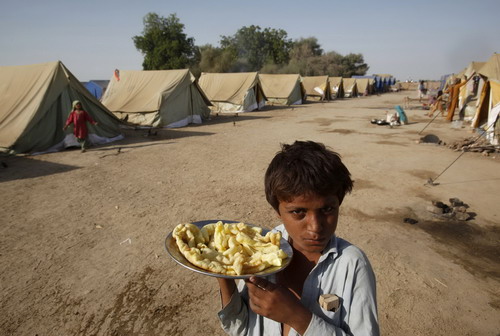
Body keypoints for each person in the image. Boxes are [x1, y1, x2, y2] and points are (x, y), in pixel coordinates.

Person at [217, 141, 379, 336]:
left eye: (327, 209)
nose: (315, 227)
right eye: (298, 212)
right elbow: (241, 327)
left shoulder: (352, 265)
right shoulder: (262, 249)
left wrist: (297, 317)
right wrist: (223, 274)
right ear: (278, 210)